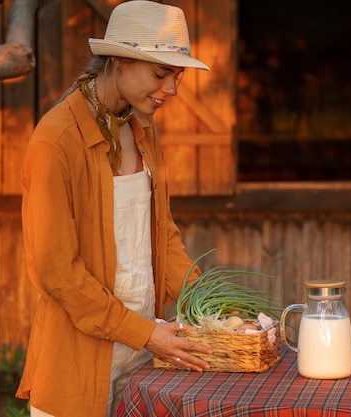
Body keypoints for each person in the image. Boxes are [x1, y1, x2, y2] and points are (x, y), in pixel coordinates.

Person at [15, 2, 213, 416]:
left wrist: (209, 300)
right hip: (78, 358)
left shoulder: (142, 127)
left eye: (176, 76)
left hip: (144, 356)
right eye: (161, 74)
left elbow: (164, 237)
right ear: (120, 60)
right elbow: (58, 272)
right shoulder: (56, 140)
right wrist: (144, 334)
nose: (172, 90)